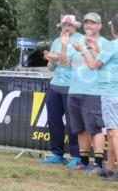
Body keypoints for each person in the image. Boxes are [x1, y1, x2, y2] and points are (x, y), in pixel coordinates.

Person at [60, 13, 107, 174]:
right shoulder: (76, 42)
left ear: (100, 26)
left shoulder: (105, 43)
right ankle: (84, 161)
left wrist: (90, 50)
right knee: (80, 129)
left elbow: (101, 65)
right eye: (87, 23)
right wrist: (65, 45)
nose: (89, 26)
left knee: (95, 129)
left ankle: (99, 164)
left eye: (93, 23)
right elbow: (65, 63)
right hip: (74, 90)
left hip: (94, 92)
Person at [41, 14, 84, 165]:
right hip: (55, 85)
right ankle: (57, 154)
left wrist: (58, 57)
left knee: (73, 123)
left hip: (72, 87)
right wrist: (51, 61)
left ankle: (77, 157)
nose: (66, 28)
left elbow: (70, 63)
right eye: (64, 25)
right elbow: (51, 68)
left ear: (76, 26)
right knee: (53, 120)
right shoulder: (57, 41)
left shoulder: (81, 41)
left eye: (69, 25)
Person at [98, 15, 118, 181]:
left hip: (111, 93)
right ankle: (109, 169)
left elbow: (93, 65)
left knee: (113, 133)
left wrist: (83, 51)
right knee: (113, 132)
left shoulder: (112, 45)